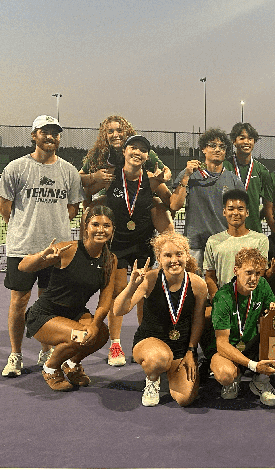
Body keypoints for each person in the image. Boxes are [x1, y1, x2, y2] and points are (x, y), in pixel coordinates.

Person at [0, 115, 84, 377]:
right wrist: (26, 230)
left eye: (55, 133)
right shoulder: (15, 168)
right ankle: (15, 354)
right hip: (22, 249)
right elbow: (4, 207)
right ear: (34, 135)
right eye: (44, 132)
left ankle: (47, 350)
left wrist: (52, 231)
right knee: (19, 302)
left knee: (49, 304)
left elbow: (72, 208)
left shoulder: (69, 171)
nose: (50, 137)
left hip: (58, 252)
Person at [20, 205, 117, 392]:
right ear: (86, 226)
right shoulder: (67, 249)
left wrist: (95, 324)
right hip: (44, 315)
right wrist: (42, 257)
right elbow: (23, 267)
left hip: (76, 313)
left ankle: (71, 364)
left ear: (113, 229)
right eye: (95, 224)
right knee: (80, 335)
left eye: (107, 226)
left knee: (101, 334)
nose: (100, 230)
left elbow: (105, 301)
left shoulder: (110, 259)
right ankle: (50, 367)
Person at [97, 134, 173, 366]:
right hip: (117, 245)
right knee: (119, 292)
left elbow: (172, 203)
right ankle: (116, 344)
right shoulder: (111, 179)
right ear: (125, 152)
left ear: (147, 156)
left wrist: (167, 181)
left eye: (142, 149)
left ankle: (144, 340)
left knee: (143, 295)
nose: (137, 152)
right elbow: (87, 190)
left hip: (144, 245)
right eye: (133, 148)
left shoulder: (150, 182)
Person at [113, 231, 207, 407]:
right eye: (167, 255)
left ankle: (170, 368)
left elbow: (198, 321)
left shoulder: (198, 284)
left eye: (179, 254)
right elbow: (118, 310)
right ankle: (153, 379)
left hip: (181, 347)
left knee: (185, 399)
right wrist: (131, 286)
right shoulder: (149, 279)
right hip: (150, 341)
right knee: (159, 359)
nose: (174, 260)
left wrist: (191, 351)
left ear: (187, 255)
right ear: (159, 257)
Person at [210, 247, 275, 406]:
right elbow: (221, 344)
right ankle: (235, 377)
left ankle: (260, 382)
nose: (254, 278)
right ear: (236, 270)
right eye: (249, 272)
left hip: (252, 345)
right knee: (225, 375)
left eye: (257, 273)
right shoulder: (223, 297)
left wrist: (274, 312)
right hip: (228, 349)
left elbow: (269, 314)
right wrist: (253, 365)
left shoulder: (262, 286)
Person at [79, 114, 173, 233]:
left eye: (119, 130)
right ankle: (87, 247)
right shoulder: (100, 154)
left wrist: (163, 177)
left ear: (127, 132)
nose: (115, 135)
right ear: (105, 135)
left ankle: (170, 242)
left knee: (158, 204)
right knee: (90, 209)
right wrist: (94, 177)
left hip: (139, 197)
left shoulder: (141, 151)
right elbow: (78, 179)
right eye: (110, 131)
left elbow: (166, 171)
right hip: (112, 198)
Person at [170, 128, 245, 274]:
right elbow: (174, 204)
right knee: (194, 290)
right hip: (195, 245)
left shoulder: (233, 180)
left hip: (223, 244)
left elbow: (240, 217)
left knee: (221, 290)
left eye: (222, 147)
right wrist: (186, 176)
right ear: (203, 149)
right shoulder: (190, 175)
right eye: (212, 145)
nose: (217, 149)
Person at [204, 189, 269, 298]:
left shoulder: (260, 240)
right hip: (224, 301)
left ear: (247, 212)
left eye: (240, 209)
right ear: (224, 212)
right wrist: (217, 298)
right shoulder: (213, 241)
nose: (235, 213)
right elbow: (210, 276)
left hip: (249, 301)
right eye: (231, 209)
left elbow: (260, 274)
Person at [224, 122, 273, 232]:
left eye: (250, 138)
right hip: (228, 231)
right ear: (234, 141)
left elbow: (267, 206)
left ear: (254, 142)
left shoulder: (262, 171)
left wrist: (255, 219)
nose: (246, 142)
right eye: (242, 138)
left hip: (253, 231)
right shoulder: (225, 167)